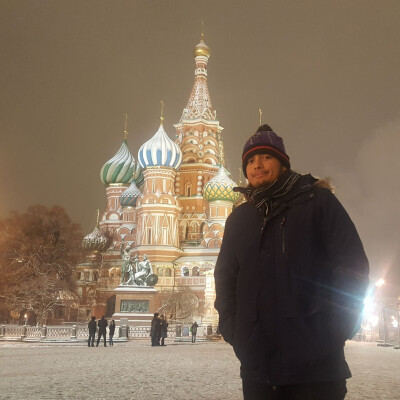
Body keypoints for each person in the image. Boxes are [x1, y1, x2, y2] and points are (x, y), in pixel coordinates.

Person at [214, 124, 369, 400]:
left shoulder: (318, 202)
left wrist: (337, 328)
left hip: (317, 370)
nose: (256, 165)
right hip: (259, 369)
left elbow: (351, 267)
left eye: (265, 157)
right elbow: (225, 278)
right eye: (249, 160)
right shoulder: (239, 219)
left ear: (283, 164)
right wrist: (234, 330)